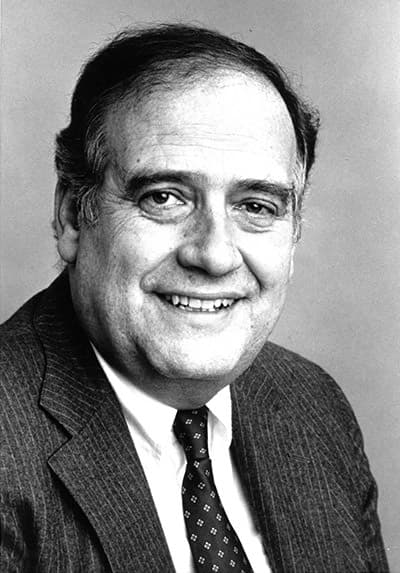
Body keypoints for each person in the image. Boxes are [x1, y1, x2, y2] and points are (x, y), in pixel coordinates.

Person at [0, 24, 388, 573]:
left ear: (294, 232)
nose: (214, 254)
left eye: (256, 206)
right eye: (165, 197)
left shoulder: (311, 407)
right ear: (71, 217)